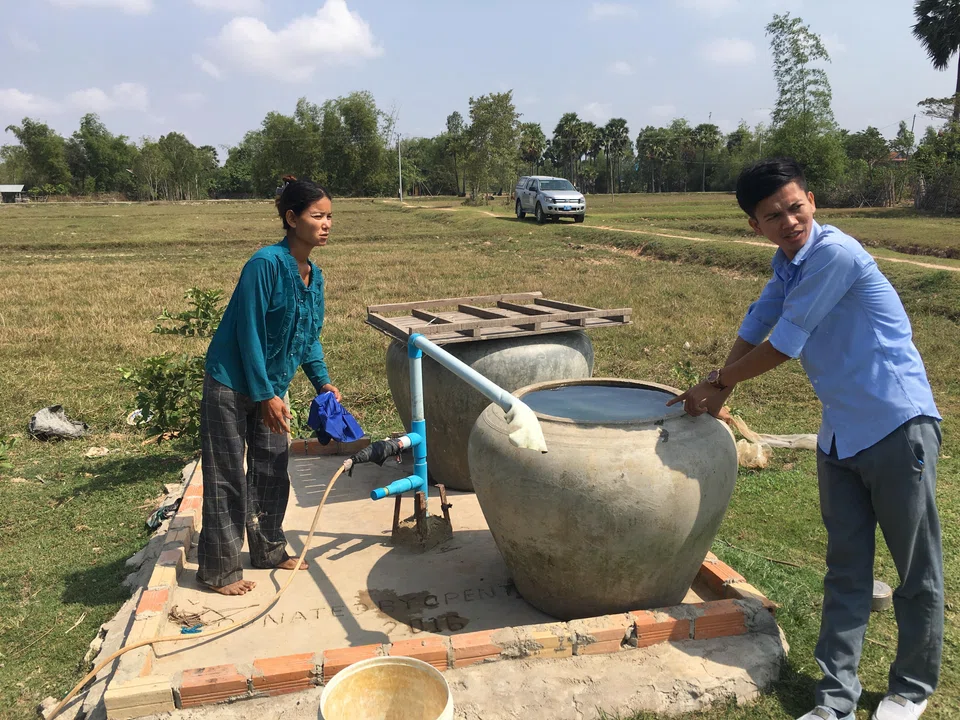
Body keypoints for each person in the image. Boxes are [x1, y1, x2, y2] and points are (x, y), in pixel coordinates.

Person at [667, 159, 943, 720]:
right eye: (774, 215)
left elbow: (785, 344)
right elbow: (756, 324)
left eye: (796, 207)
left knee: (916, 571)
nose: (789, 221)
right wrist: (722, 389)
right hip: (840, 435)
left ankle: (910, 690)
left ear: (811, 201)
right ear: (756, 225)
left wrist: (719, 385)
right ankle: (835, 701)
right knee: (845, 570)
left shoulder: (834, 255)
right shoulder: (787, 264)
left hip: (896, 426)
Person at [198, 177, 340, 596]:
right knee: (227, 476)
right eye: (318, 216)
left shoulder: (315, 276)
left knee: (273, 469)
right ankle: (219, 570)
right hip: (231, 382)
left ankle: (269, 550)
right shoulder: (265, 264)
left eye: (330, 216)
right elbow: (249, 333)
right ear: (292, 218)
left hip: (272, 388)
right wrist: (265, 395)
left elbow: (308, 335)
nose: (327, 224)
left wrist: (323, 383)